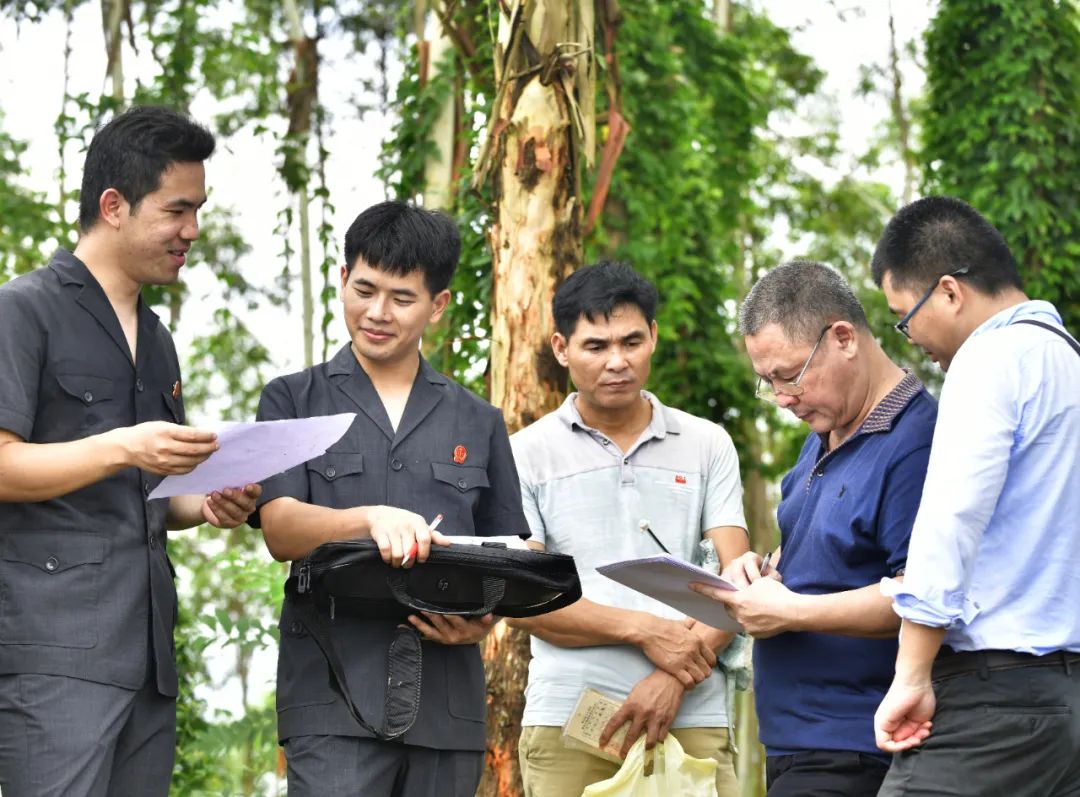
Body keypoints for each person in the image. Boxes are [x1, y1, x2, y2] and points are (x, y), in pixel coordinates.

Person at [0, 105, 261, 797]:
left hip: (147, 660)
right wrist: (121, 445)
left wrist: (204, 503)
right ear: (113, 205)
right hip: (55, 657)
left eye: (199, 210)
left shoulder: (159, 337)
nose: (192, 232)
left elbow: (146, 496)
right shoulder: (23, 310)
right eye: (178, 210)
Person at [252, 201, 530, 797]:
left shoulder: (478, 420)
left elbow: (513, 546)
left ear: (439, 304)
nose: (376, 313)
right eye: (363, 289)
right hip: (332, 697)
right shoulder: (291, 400)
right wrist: (370, 517)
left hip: (447, 705)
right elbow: (279, 528)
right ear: (342, 278)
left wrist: (484, 619)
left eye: (402, 298)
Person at [691, 260, 938, 796]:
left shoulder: (916, 443)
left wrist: (792, 612)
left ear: (843, 337)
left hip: (856, 744)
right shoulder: (822, 432)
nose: (782, 398)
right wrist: (759, 571)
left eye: (789, 376)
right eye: (768, 382)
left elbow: (924, 597)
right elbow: (822, 556)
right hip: (793, 739)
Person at [506, 260, 748, 797]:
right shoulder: (523, 455)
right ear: (561, 347)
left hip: (694, 714)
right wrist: (644, 631)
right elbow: (524, 599)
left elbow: (737, 584)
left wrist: (670, 681)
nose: (617, 361)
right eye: (595, 346)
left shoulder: (708, 444)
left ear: (654, 337)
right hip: (569, 719)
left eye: (631, 341)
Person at [870, 196, 1080, 795]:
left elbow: (951, 520)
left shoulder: (989, 356)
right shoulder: (1067, 358)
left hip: (996, 699)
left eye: (904, 318)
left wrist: (911, 675)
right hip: (1065, 700)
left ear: (948, 292)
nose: (910, 340)